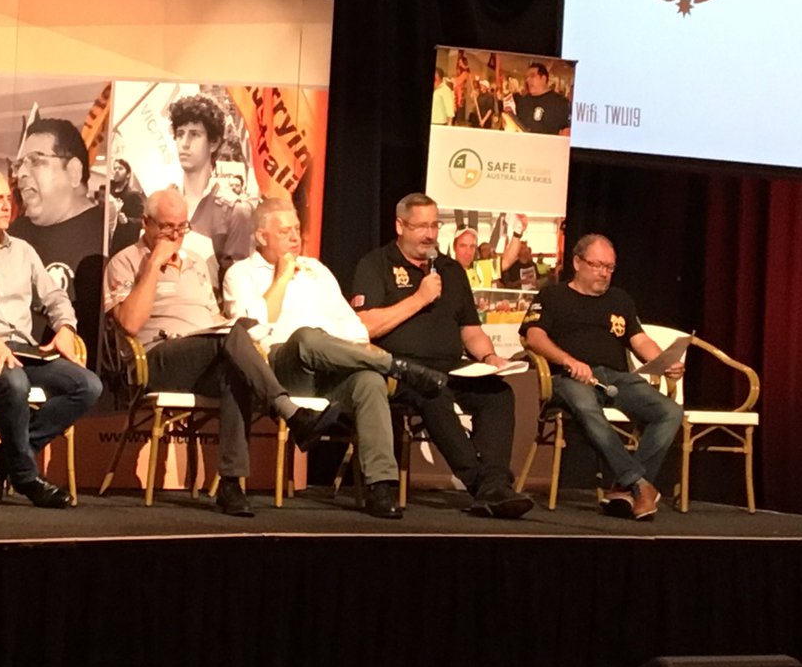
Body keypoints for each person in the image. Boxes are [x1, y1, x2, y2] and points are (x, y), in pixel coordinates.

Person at [104, 188, 341, 517]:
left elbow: (212, 317)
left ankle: (231, 484)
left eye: (182, 227)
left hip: (204, 351)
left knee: (236, 370)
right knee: (229, 340)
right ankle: (290, 412)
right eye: (167, 227)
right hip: (158, 357)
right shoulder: (124, 261)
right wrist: (154, 264)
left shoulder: (196, 263)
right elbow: (129, 324)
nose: (175, 236)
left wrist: (234, 330)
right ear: (146, 223)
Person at [223, 199, 448, 519]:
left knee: (369, 381)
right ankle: (396, 366)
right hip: (282, 369)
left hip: (332, 370)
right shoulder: (241, 274)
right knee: (306, 337)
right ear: (261, 236)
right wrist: (282, 278)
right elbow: (252, 328)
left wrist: (357, 351)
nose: (295, 238)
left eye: (297, 229)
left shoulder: (317, 270)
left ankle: (380, 486)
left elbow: (350, 324)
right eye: (285, 231)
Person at [351, 193, 533, 519]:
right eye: (421, 226)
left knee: (498, 393)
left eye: (435, 226)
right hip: (401, 368)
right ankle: (482, 485)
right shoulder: (376, 264)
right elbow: (365, 326)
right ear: (400, 226)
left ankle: (494, 483)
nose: (430, 234)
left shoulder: (451, 270)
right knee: (433, 391)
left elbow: (470, 330)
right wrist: (420, 299)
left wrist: (489, 357)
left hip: (453, 366)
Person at [0, 166, 103, 508]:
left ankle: (4, 459)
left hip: (22, 350)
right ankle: (28, 477)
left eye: (8, 198)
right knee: (14, 383)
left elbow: (55, 298)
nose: (7, 206)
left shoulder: (23, 251)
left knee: (88, 385)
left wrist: (65, 327)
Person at [519, 233, 684, 519]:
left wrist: (664, 362)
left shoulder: (620, 299)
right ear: (577, 263)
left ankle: (626, 486)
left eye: (609, 267)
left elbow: (640, 340)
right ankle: (639, 484)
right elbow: (534, 337)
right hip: (569, 377)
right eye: (597, 265)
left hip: (616, 378)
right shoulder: (552, 296)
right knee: (585, 404)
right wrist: (569, 361)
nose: (604, 273)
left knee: (670, 411)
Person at [8, 112, 105, 356]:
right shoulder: (12, 235)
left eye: (35, 160)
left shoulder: (109, 233)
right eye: (20, 164)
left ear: (73, 171)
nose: (20, 174)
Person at [168, 93, 254, 276]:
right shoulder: (164, 201)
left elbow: (237, 282)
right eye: (180, 134)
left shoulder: (235, 211)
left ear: (213, 143)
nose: (184, 143)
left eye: (195, 134)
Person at [503, 62, 570, 136]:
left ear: (543, 78)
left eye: (532, 76)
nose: (528, 79)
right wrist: (510, 116)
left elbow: (566, 130)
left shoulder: (560, 103)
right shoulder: (522, 102)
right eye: (527, 77)